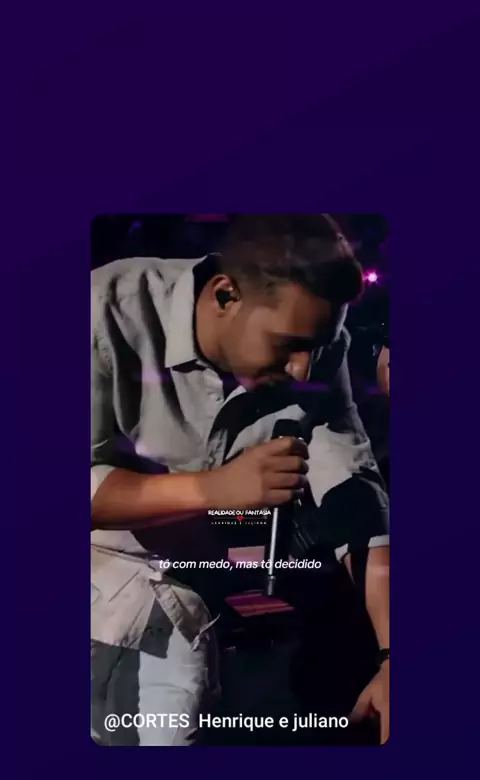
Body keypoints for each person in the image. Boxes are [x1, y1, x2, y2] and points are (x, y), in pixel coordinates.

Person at [91, 214, 390, 745]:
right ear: (225, 295)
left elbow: (356, 497)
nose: (302, 370)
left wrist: (393, 655)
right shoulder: (104, 308)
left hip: (185, 599)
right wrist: (215, 489)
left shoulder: (321, 346)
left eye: (318, 346)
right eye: (288, 344)